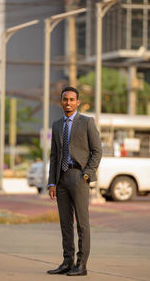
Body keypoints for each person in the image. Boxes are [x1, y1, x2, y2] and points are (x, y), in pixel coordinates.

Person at [47, 86, 102, 276]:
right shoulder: (56, 125)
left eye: (71, 99)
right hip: (61, 179)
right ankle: (67, 262)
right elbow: (54, 156)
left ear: (77, 102)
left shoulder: (87, 122)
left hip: (79, 177)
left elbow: (97, 151)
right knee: (65, 223)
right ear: (61, 102)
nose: (68, 102)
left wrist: (87, 175)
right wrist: (52, 182)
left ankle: (82, 265)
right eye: (65, 99)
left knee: (82, 224)